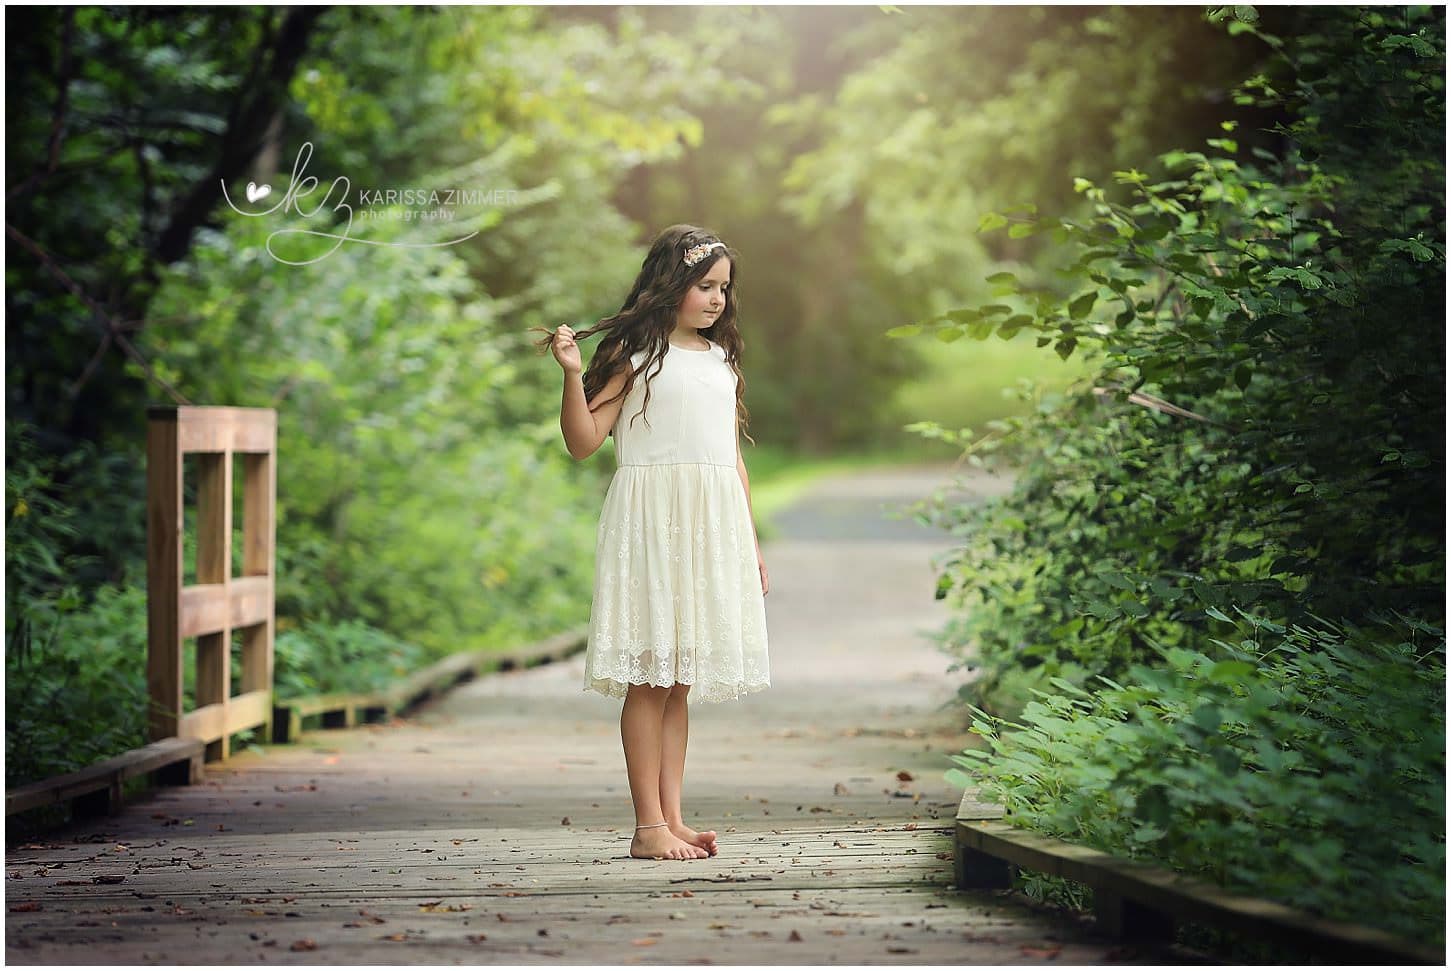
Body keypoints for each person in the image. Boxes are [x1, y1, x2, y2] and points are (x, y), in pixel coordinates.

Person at [533, 224, 771, 862]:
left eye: (724, 288)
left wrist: (748, 543)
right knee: (649, 676)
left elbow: (731, 457)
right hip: (652, 528)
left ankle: (673, 817)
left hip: (709, 527)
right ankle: (647, 827)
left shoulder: (719, 360)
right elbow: (583, 442)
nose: (717, 299)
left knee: (680, 676)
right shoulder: (633, 356)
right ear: (671, 285)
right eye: (704, 286)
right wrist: (572, 373)